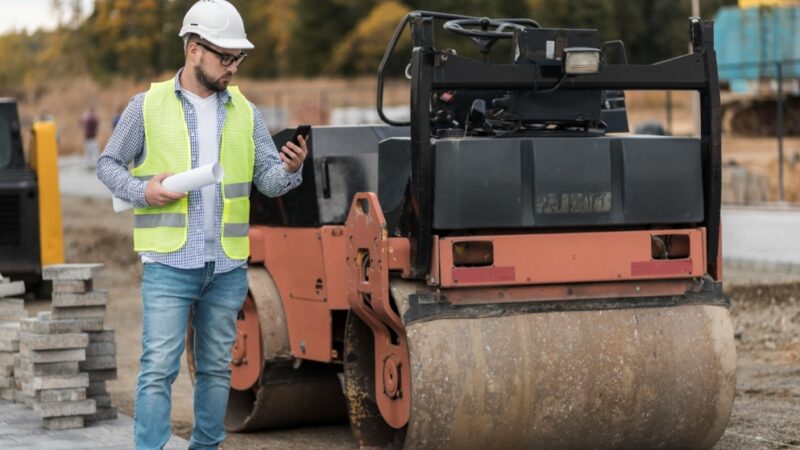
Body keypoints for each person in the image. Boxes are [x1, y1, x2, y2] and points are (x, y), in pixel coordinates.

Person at [96, 1, 308, 449]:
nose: (233, 67)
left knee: (216, 367)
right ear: (194, 49)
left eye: (238, 58)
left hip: (227, 266)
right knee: (159, 368)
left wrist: (289, 170)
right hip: (169, 263)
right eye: (225, 57)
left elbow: (267, 183)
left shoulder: (246, 112)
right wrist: (143, 191)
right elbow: (108, 165)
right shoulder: (146, 106)